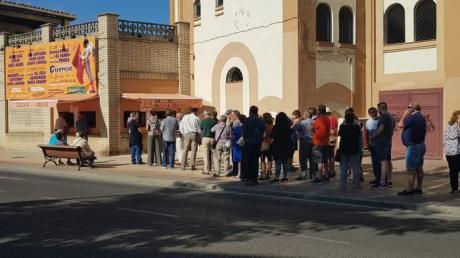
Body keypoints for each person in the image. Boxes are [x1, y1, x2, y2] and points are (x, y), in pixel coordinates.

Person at [397, 102, 427, 196]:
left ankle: (410, 189)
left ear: (412, 109)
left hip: (413, 146)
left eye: (408, 107)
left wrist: (404, 115)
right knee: (418, 168)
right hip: (420, 145)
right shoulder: (421, 117)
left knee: (411, 169)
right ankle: (419, 188)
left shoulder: (413, 117)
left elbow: (400, 125)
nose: (407, 109)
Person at [370, 102, 394, 189]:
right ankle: (387, 180)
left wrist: (373, 136)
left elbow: (381, 129)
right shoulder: (390, 116)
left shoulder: (383, 116)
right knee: (387, 160)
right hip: (387, 141)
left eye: (378, 109)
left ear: (380, 108)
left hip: (382, 141)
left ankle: (382, 182)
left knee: (383, 161)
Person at [242, 106, 266, 186]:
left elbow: (244, 132)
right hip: (257, 143)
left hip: (248, 143)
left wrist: (245, 140)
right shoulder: (261, 120)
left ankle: (248, 179)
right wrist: (260, 139)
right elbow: (263, 131)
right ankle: (254, 179)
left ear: (250, 111)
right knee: (255, 161)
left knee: (248, 161)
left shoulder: (247, 120)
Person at [338, 112, 362, 189]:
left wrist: (344, 122)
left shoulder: (342, 127)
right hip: (354, 148)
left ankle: (343, 185)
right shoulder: (357, 127)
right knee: (356, 167)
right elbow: (359, 137)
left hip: (344, 149)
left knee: (344, 168)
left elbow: (339, 134)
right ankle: (357, 184)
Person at [270, 112, 293, 183]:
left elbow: (272, 136)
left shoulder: (276, 127)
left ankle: (277, 177)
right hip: (286, 146)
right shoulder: (288, 127)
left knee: (278, 162)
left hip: (277, 146)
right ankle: (285, 176)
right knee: (285, 162)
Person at [311, 105, 330, 183]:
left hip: (318, 143)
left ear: (319, 111)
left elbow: (314, 129)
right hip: (325, 142)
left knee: (319, 161)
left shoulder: (319, 119)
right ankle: (326, 175)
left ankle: (319, 177)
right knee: (325, 160)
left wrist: (313, 129)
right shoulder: (327, 119)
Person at [444, 110, 460, 193]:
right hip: (454, 152)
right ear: (456, 118)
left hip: (451, 152)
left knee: (453, 171)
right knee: (454, 171)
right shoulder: (455, 126)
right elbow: (453, 136)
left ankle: (454, 188)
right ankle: (454, 189)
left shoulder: (450, 125)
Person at [366, 107, 381, 185]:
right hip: (372, 145)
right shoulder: (368, 122)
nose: (374, 113)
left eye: (375, 111)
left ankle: (382, 178)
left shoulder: (381, 120)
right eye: (371, 112)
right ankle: (376, 178)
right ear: (369, 114)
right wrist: (367, 144)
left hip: (379, 145)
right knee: (374, 162)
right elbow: (367, 134)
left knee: (380, 162)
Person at [293, 110, 310, 180]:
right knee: (311, 158)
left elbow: (294, 128)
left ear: (306, 115)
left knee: (303, 158)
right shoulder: (313, 121)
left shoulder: (302, 123)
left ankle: (304, 174)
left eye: (304, 114)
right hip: (312, 141)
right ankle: (313, 174)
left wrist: (298, 121)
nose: (302, 115)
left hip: (304, 141)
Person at [260, 113, 274, 180]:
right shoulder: (272, 125)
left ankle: (263, 173)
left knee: (262, 159)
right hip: (271, 143)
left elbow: (263, 135)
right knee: (269, 159)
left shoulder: (264, 125)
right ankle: (269, 172)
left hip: (264, 143)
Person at [327, 107, 338, 177]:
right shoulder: (334, 118)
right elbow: (335, 128)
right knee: (331, 155)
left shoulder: (326, 119)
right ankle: (332, 170)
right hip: (333, 137)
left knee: (328, 155)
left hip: (327, 137)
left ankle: (329, 171)